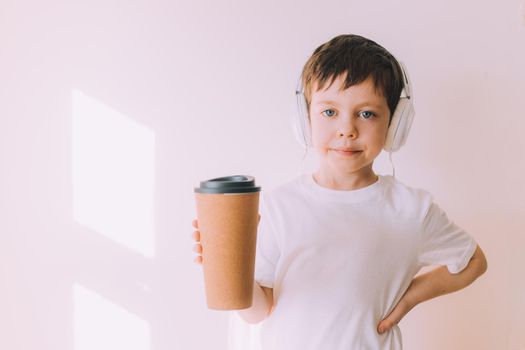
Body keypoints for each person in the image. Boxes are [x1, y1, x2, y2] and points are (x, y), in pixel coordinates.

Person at [191, 34, 487, 349]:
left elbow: (473, 262)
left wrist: (409, 298)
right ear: (304, 119)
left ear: (395, 124)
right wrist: (228, 266)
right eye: (330, 112)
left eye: (367, 113)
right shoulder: (281, 206)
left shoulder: (412, 210)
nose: (347, 129)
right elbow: (259, 310)